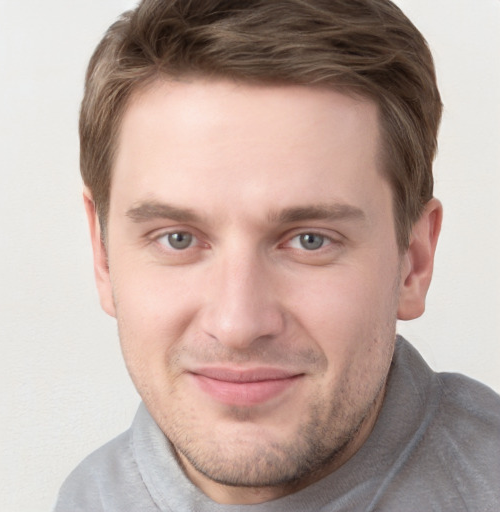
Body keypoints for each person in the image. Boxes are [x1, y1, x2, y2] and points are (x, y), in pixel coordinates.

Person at [54, 0, 500, 510]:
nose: (238, 324)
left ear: (413, 262)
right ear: (103, 255)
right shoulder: (88, 497)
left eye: (311, 240)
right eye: (177, 238)